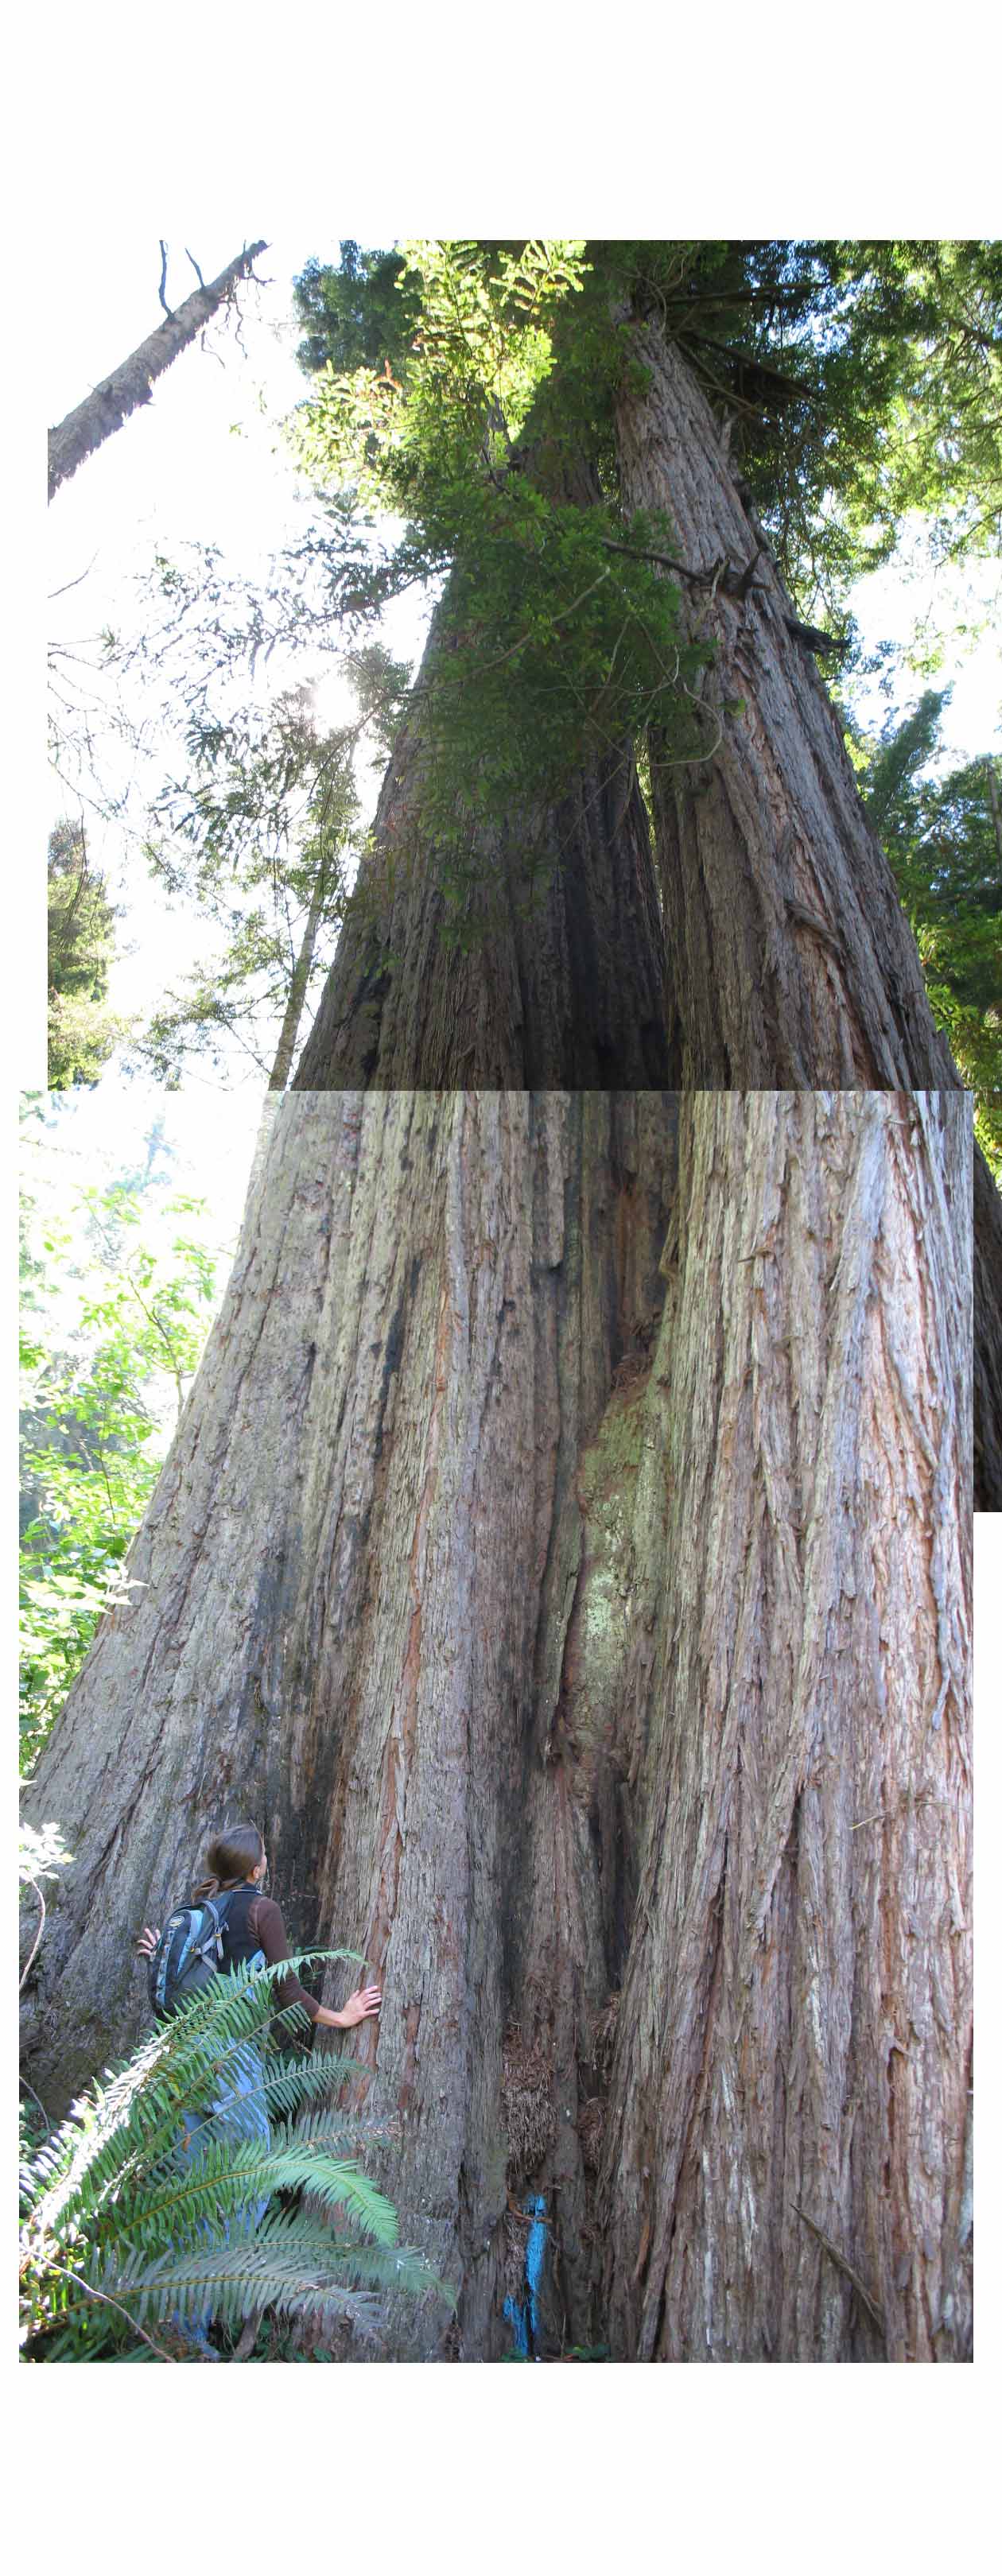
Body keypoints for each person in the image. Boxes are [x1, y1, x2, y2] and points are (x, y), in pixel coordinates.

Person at [136, 1822, 380, 2357]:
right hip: (226, 2061)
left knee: (191, 2187)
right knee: (244, 2181)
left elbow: (179, 1973)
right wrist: (343, 2016)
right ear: (255, 1867)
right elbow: (287, 1987)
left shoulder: (195, 1912)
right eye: (264, 1855)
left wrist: (155, 1955)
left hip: (179, 2060)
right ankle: (194, 2320)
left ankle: (166, 2313)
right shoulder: (258, 1911)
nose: (267, 1860)